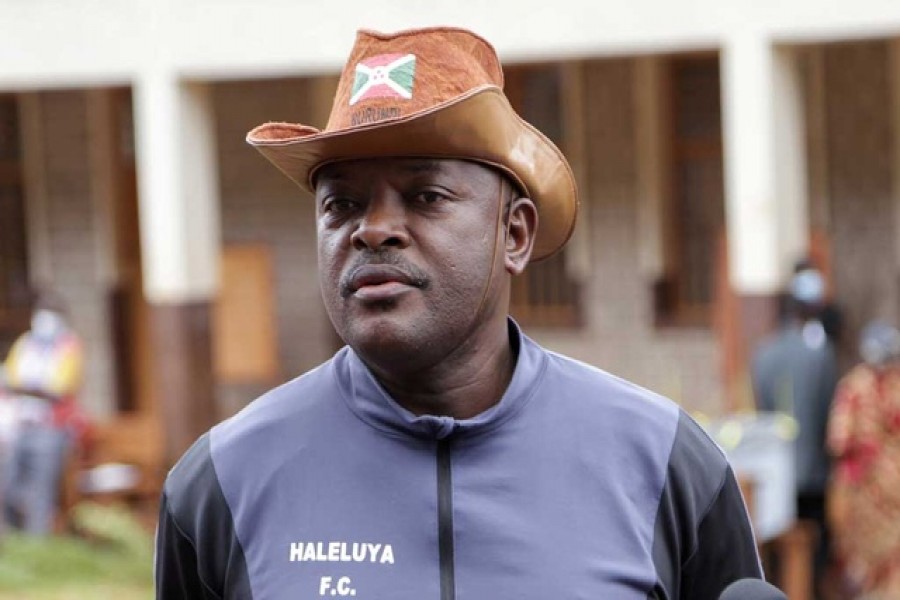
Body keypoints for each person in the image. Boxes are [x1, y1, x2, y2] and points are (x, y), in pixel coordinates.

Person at [155, 27, 763, 599]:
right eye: (341, 204)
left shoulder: (663, 464)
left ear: (514, 234)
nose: (373, 229)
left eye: (426, 196)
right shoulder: (221, 484)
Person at [751, 266, 838, 590]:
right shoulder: (821, 355)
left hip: (776, 469)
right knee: (813, 548)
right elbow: (828, 413)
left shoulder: (764, 352)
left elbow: (764, 412)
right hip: (812, 471)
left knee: (777, 546)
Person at [2, 292, 87, 535]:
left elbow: (58, 388)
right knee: (9, 483)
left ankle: (37, 540)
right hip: (21, 425)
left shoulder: (69, 346)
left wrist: (27, 388)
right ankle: (15, 536)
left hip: (52, 428)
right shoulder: (26, 344)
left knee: (41, 487)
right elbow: (10, 378)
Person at [827, 321, 900, 599]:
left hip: (867, 486)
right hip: (883, 484)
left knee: (868, 563)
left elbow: (839, 440)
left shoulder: (852, 386)